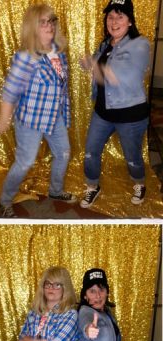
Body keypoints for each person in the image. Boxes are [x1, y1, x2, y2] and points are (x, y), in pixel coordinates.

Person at [0, 3, 76, 218]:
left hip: (54, 116)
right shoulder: (26, 57)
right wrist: (3, 120)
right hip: (31, 120)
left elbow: (61, 88)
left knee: (63, 153)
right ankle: (4, 201)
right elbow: (11, 91)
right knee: (25, 162)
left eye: (51, 21)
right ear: (32, 27)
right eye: (42, 22)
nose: (49, 26)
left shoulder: (58, 53)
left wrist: (64, 113)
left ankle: (55, 191)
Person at [80, 0, 150, 208]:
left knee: (132, 157)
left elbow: (124, 76)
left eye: (120, 16)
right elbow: (99, 75)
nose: (114, 21)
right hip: (103, 112)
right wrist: (90, 64)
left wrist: (95, 65)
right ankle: (92, 186)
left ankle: (139, 183)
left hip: (130, 116)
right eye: (110, 17)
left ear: (130, 21)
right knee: (91, 151)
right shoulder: (105, 44)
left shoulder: (140, 44)